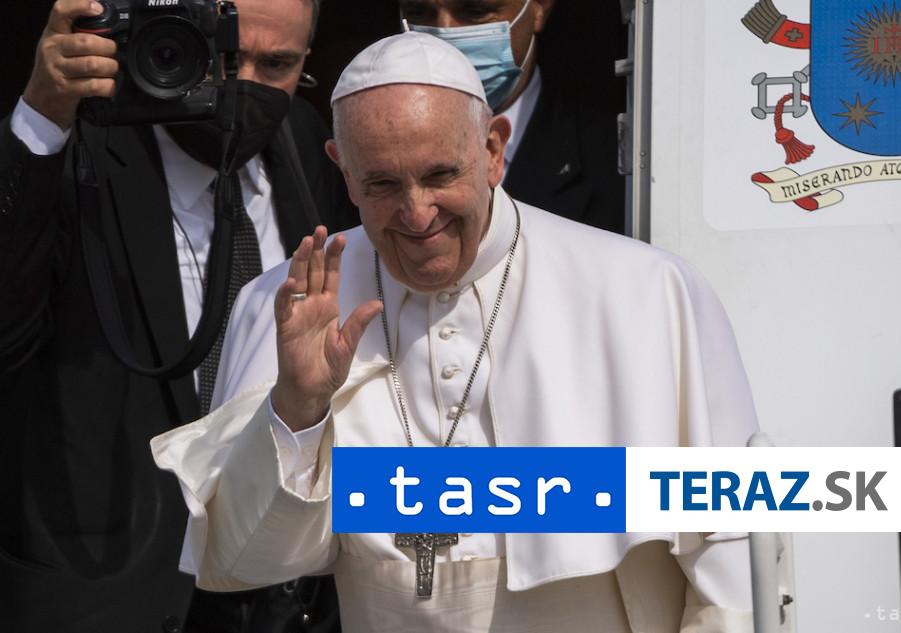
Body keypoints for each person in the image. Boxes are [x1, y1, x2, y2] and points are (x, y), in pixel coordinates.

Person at [152, 33, 758, 632]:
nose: (418, 214)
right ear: (343, 170)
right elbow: (244, 558)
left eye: (440, 174)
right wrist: (299, 409)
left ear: (493, 149)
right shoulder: (289, 302)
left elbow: (732, 557)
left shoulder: (646, 290)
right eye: (382, 184)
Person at [0, 0, 352, 631]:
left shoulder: (303, 139)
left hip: (278, 595)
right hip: (110, 594)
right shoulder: (82, 139)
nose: (245, 84)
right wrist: (40, 120)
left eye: (277, 65)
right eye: (225, 57)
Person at [399, 0, 626, 234]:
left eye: (476, 12)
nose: (444, 36)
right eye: (418, 12)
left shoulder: (619, 165)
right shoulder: (375, 151)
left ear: (539, 6)